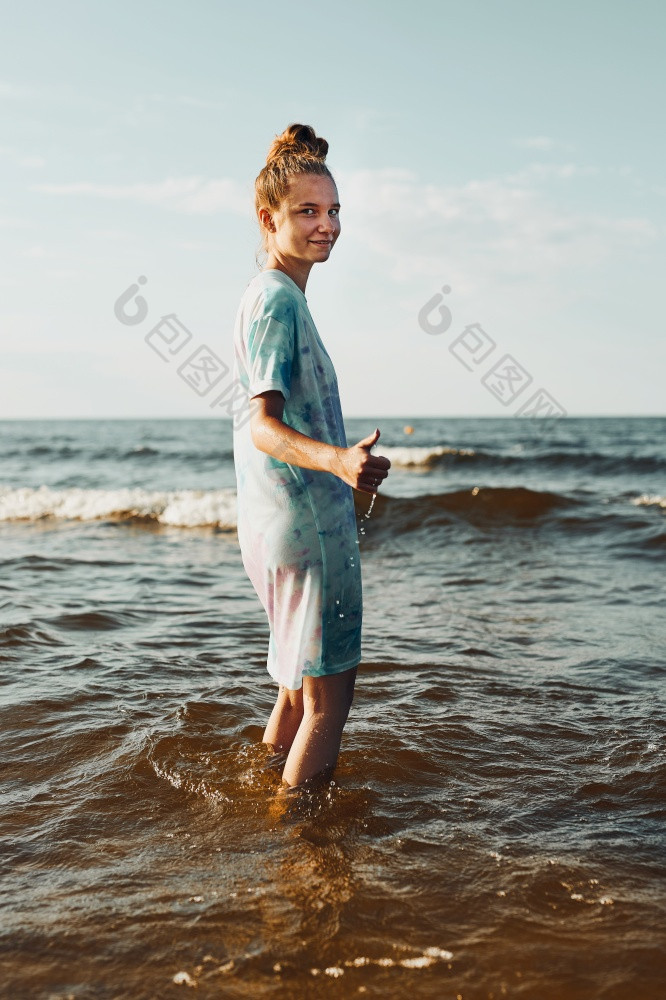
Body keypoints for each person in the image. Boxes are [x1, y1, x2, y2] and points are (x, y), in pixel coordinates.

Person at [231, 123, 390, 792]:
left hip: (280, 524)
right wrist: (338, 462)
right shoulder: (276, 303)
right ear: (269, 220)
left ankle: (262, 803)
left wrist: (340, 466)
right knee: (331, 702)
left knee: (298, 693)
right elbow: (262, 425)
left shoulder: (276, 297)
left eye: (333, 212)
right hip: (306, 530)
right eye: (307, 212)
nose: (327, 226)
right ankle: (300, 860)